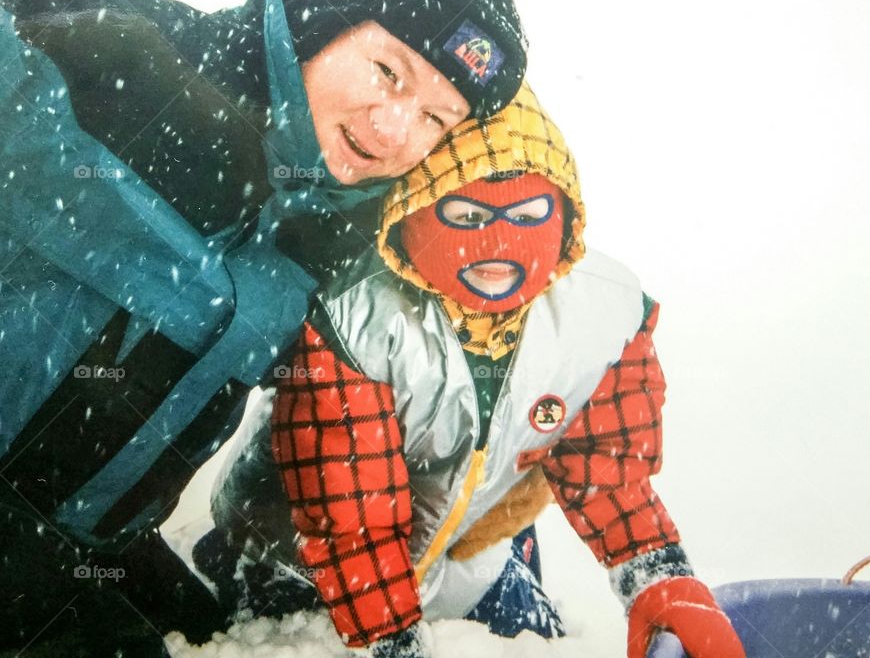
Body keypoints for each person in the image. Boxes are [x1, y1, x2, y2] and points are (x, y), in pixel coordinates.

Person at [0, 0, 527, 656]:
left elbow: (418, 366)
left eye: (438, 118)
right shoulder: (133, 62)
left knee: (239, 643)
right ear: (327, 27)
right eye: (388, 71)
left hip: (90, 538)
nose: (393, 126)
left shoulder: (343, 236)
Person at [197, 84, 747, 657]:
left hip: (466, 549)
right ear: (412, 212)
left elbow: (604, 466)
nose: (500, 243)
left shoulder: (604, 318)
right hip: (301, 559)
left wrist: (657, 574)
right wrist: (392, 643)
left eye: (530, 214)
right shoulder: (358, 321)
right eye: (466, 214)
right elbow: (351, 513)